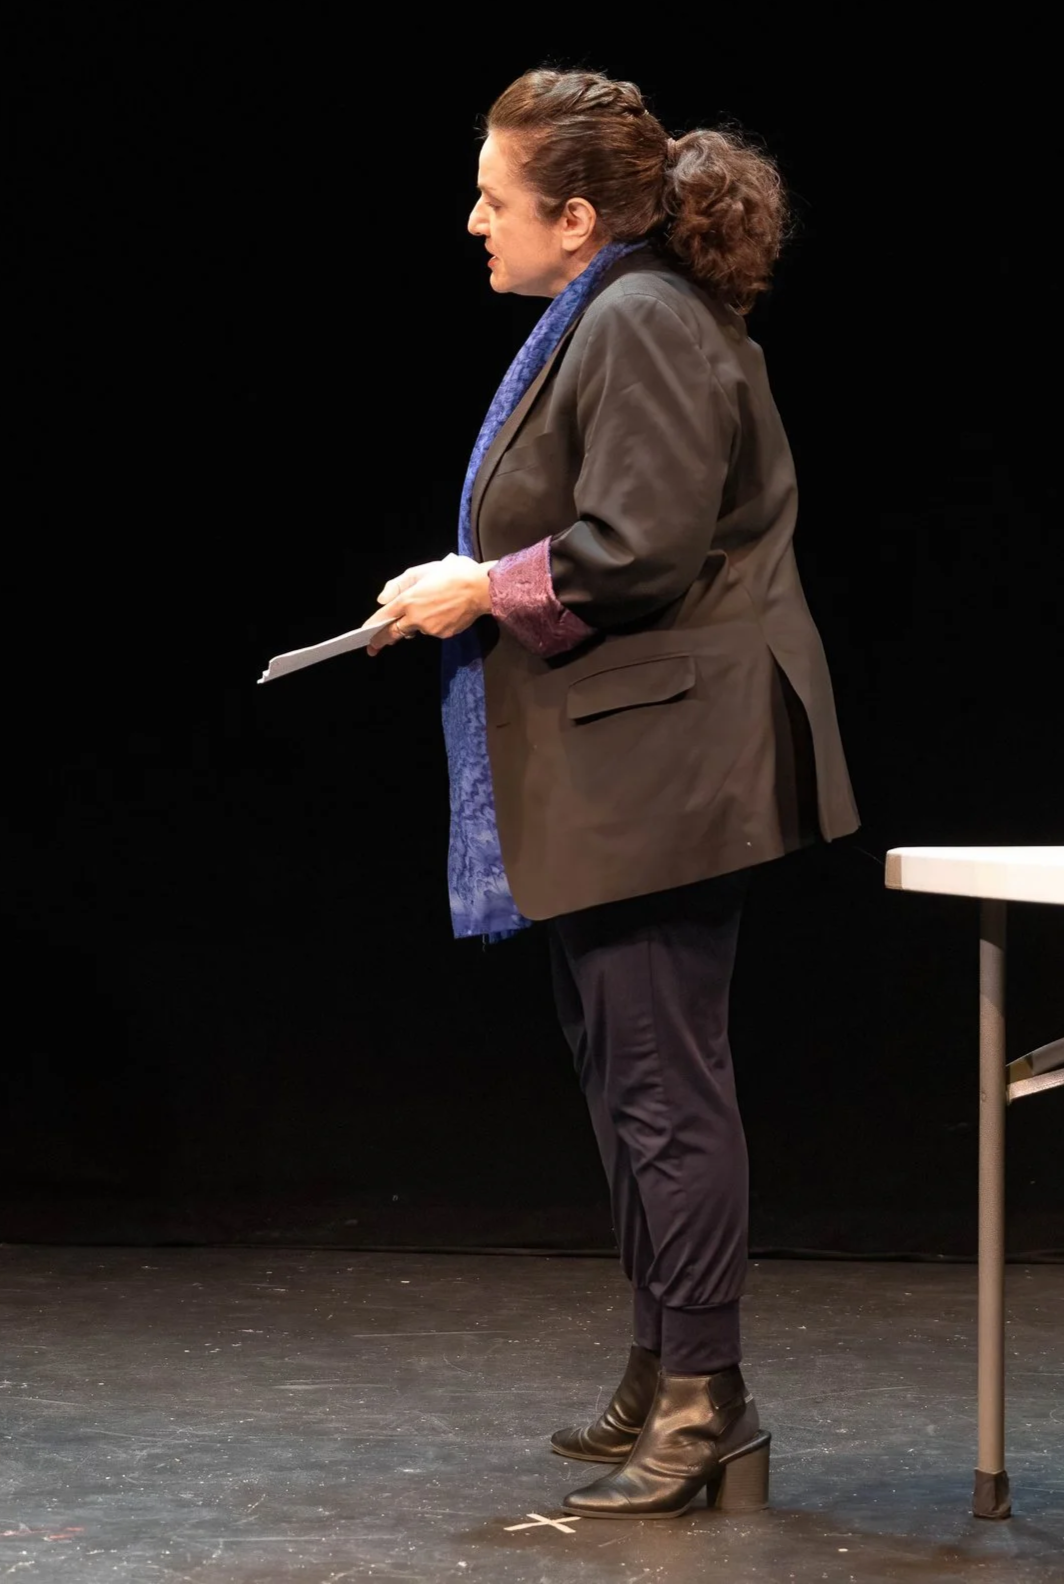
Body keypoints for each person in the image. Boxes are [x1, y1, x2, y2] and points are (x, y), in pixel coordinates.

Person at [366, 69, 857, 1518]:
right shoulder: (615, 310)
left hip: (664, 765)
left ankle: (708, 1399)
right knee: (623, 1073)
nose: (474, 222)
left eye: (495, 200)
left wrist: (481, 588)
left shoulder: (640, 316)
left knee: (662, 1085)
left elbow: (639, 545)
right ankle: (665, 1362)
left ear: (575, 218)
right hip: (628, 761)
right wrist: (470, 585)